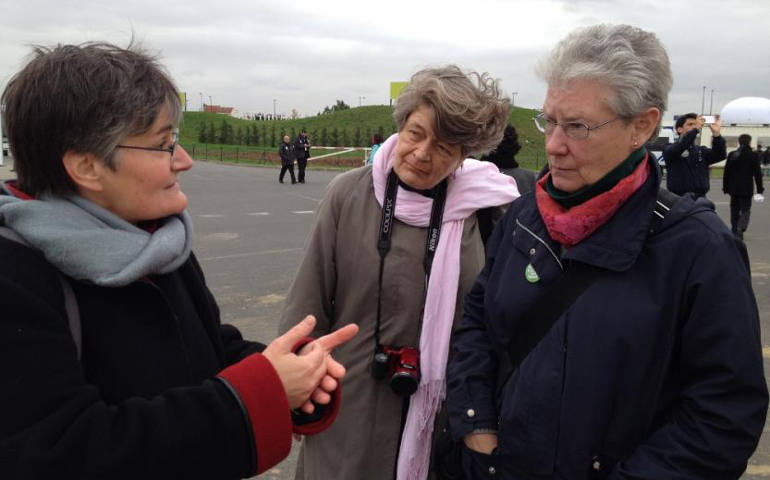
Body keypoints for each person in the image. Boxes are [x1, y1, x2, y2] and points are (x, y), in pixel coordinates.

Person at [0, 42, 358, 480]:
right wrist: (264, 391)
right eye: (164, 145)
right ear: (87, 166)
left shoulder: (155, 240)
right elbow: (63, 451)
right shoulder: (15, 276)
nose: (184, 161)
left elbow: (208, 345)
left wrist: (293, 372)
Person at [447, 24, 767, 479]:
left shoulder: (698, 251)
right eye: (549, 120)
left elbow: (724, 415)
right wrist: (477, 429)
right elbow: (477, 326)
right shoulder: (522, 218)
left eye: (577, 126)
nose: (553, 145)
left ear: (642, 126)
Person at [279, 65, 519, 480]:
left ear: (466, 154)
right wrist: (296, 393)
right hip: (345, 407)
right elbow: (307, 303)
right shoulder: (348, 194)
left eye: (445, 146)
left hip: (439, 415)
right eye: (416, 133)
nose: (423, 154)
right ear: (402, 123)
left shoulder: (485, 211)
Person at [663, 112, 726, 197]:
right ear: (679, 129)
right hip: (678, 198)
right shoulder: (669, 148)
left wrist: (717, 135)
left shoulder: (701, 150)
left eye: (695, 124)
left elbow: (720, 155)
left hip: (700, 198)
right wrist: (695, 130)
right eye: (690, 124)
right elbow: (681, 146)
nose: (694, 126)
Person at [723, 134, 765, 240]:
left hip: (733, 188)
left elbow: (726, 172)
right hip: (746, 188)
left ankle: (734, 229)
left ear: (739, 142)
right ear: (749, 142)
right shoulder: (753, 155)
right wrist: (760, 189)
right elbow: (757, 174)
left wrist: (725, 187)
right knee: (745, 209)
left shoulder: (732, 154)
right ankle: (740, 228)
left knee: (734, 209)